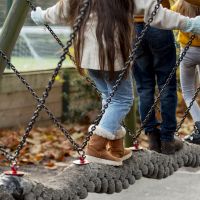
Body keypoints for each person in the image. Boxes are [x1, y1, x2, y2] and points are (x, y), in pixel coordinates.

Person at [31, 0, 200, 166]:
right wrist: (189, 24)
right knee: (122, 100)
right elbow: (155, 12)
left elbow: (59, 10)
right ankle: (96, 146)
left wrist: (41, 16)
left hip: (87, 55)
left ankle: (116, 146)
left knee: (109, 97)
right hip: (111, 55)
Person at [133, 0, 179, 155]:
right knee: (167, 85)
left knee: (144, 87)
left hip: (133, 26)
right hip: (159, 21)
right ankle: (167, 139)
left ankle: (152, 136)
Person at [172, 0, 200, 145]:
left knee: (188, 92)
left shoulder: (179, 5)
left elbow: (167, 16)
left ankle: (199, 124)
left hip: (188, 52)